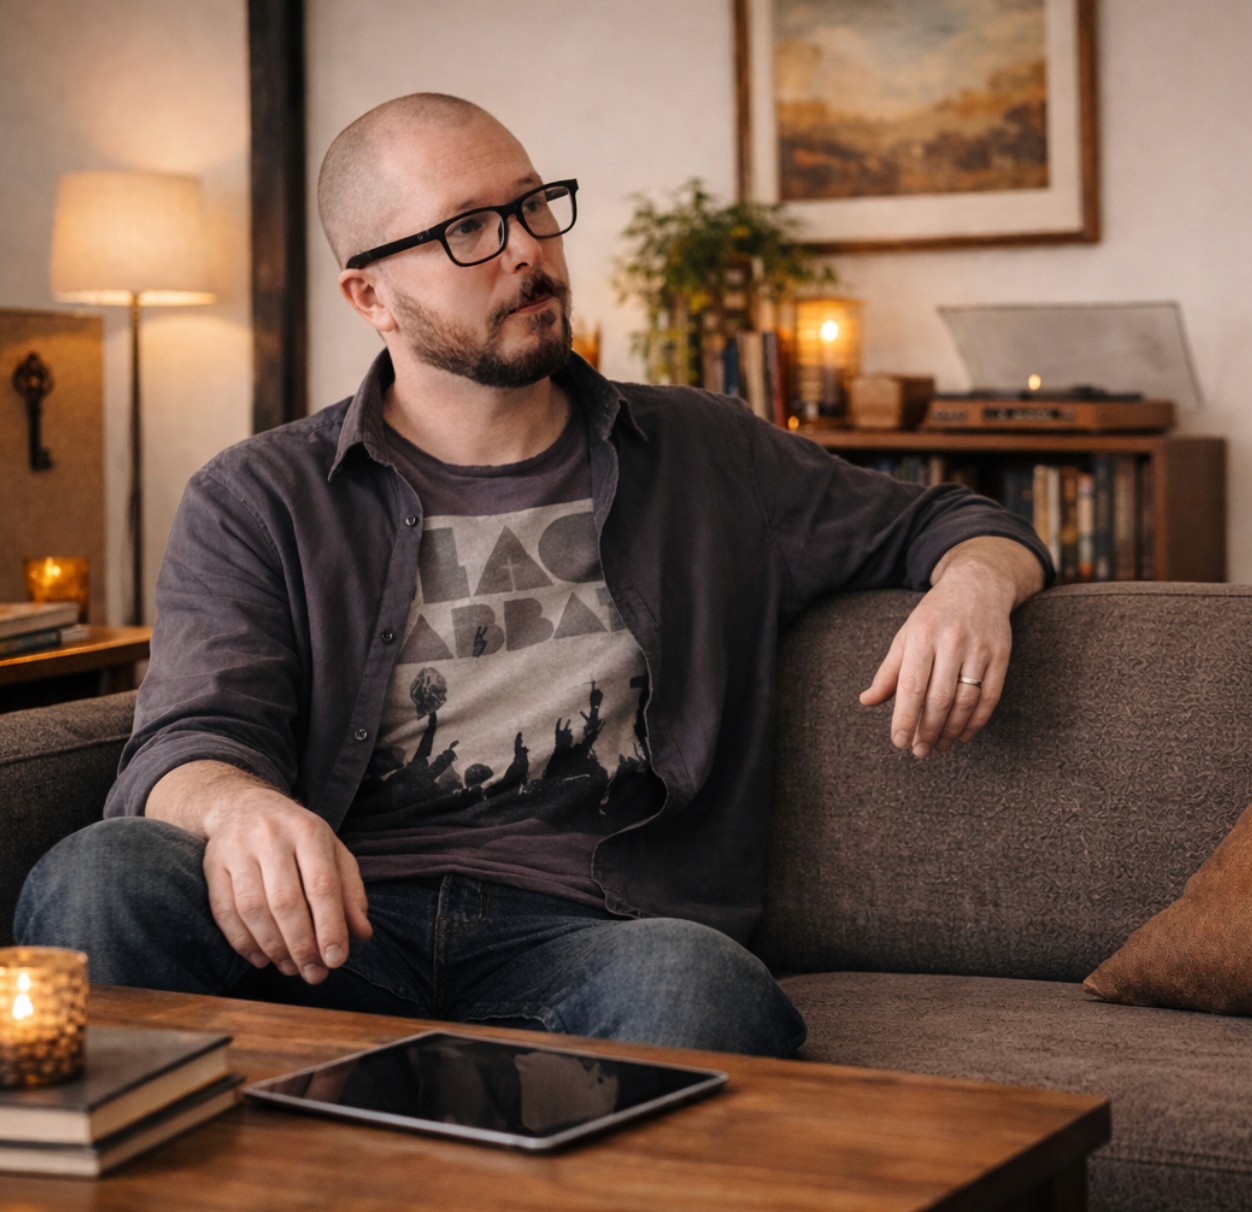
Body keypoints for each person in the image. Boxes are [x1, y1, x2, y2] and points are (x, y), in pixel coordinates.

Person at [14, 94, 1053, 1058]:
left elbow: (957, 521)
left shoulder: (704, 452)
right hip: (330, 933)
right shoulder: (259, 496)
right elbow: (187, 741)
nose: (526, 251)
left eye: (535, 208)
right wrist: (237, 808)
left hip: (591, 937)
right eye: (469, 229)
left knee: (703, 988)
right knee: (98, 876)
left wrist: (971, 588)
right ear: (369, 294)